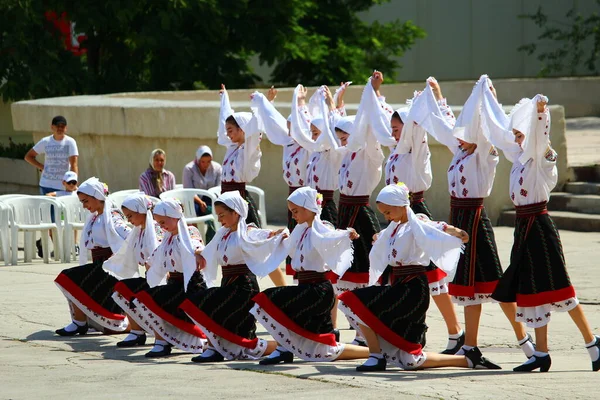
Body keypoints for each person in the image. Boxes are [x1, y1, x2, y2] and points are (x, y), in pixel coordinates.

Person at [481, 87, 600, 372]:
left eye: (522, 135)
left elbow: (539, 137)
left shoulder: (542, 158)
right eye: (517, 135)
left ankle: (593, 343)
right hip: (523, 226)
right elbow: (500, 131)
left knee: (559, 289)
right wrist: (491, 99)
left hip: (540, 227)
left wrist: (540, 115)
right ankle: (542, 353)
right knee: (532, 291)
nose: (518, 140)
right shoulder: (520, 158)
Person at [420, 75, 534, 361]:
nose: (458, 136)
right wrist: (439, 95)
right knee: (469, 288)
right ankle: (470, 345)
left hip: (475, 219)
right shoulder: (459, 150)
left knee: (494, 285)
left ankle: (525, 341)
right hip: (458, 218)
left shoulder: (484, 153)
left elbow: (488, 127)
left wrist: (488, 98)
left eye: (464, 132)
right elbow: (446, 125)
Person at [338, 183, 501, 372]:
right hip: (398, 286)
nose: (386, 216)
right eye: (383, 213)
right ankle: (468, 360)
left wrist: (455, 231)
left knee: (353, 300)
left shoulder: (418, 222)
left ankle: (376, 356)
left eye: (388, 212)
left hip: (413, 290)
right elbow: (382, 238)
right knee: (409, 361)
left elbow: (436, 227)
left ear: (400, 205)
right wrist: (377, 238)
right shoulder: (394, 227)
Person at [361, 72, 464, 354]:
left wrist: (432, 99)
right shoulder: (395, 152)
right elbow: (381, 121)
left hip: (415, 211)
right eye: (393, 128)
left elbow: (418, 128)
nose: (394, 133)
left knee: (432, 278)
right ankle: (401, 329)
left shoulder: (415, 151)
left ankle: (456, 333)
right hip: (397, 218)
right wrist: (376, 92)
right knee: (399, 277)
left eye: (399, 128)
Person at [252, 187, 370, 365]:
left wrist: (346, 234)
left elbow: (330, 236)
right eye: (292, 212)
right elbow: (287, 244)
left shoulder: (322, 228)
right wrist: (274, 236)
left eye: (296, 211)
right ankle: (284, 348)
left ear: (308, 208)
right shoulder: (300, 231)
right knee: (325, 350)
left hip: (318, 291)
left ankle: (375, 351)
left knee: (270, 299)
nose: (293, 216)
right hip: (306, 288)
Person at [179, 191, 289, 363]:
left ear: (236, 212)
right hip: (227, 284)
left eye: (222, 215)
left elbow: (263, 235)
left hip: (243, 287)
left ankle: (287, 346)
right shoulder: (223, 233)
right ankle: (214, 348)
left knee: (241, 341)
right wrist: (199, 253)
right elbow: (209, 251)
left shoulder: (247, 231)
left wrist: (276, 234)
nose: (220, 219)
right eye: (218, 215)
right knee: (216, 316)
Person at [129, 199, 208, 357]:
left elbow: (196, 246)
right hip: (174, 284)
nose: (161, 226)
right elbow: (156, 258)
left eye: (163, 221)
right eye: (158, 223)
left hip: (190, 286)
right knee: (144, 297)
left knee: (150, 299)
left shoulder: (189, 231)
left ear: (174, 216)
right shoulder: (168, 237)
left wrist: (199, 254)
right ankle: (162, 340)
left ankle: (162, 342)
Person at [54, 177, 131, 336]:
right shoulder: (96, 216)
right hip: (98, 265)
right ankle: (80, 322)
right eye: (82, 202)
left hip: (108, 268)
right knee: (72, 281)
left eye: (86, 201)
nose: (84, 206)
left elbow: (128, 234)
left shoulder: (112, 216)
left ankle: (80, 323)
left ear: (97, 196)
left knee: (69, 278)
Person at [250, 86, 311, 276]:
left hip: (307, 198)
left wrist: (300, 101)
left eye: (296, 127)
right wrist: (268, 102)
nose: (292, 130)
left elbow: (306, 120)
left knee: (307, 241)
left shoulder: (309, 144)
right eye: (290, 126)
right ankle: (297, 276)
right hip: (293, 196)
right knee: (295, 239)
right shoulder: (288, 142)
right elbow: (272, 122)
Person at [106, 193, 163, 348]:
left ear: (141, 211)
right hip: (149, 278)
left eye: (130, 215)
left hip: (163, 280)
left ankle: (162, 337)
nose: (128, 220)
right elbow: (128, 254)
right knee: (122, 288)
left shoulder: (157, 230)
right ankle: (137, 332)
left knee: (146, 295)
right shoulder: (138, 232)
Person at [24, 115, 78, 195]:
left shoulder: (70, 142)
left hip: (62, 186)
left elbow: (74, 164)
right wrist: (41, 167)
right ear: (52, 127)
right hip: (45, 184)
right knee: (45, 207)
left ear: (66, 128)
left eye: (62, 126)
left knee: (59, 207)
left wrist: (74, 183)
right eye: (57, 126)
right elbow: (28, 157)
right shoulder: (45, 141)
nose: (60, 128)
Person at [182, 145, 222, 241]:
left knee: (215, 212)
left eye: (208, 161)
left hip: (211, 199)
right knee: (193, 211)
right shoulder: (189, 169)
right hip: (194, 200)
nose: (206, 164)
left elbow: (218, 188)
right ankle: (196, 239)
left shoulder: (217, 168)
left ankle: (212, 239)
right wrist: (200, 203)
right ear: (198, 160)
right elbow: (188, 190)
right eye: (203, 162)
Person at [37, 170, 80, 258]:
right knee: (53, 227)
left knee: (74, 224)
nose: (71, 185)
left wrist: (78, 189)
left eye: (74, 182)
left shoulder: (78, 193)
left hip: (73, 216)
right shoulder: (61, 193)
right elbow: (48, 195)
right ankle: (58, 247)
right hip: (62, 217)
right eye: (69, 182)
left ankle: (75, 244)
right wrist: (56, 200)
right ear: (64, 183)